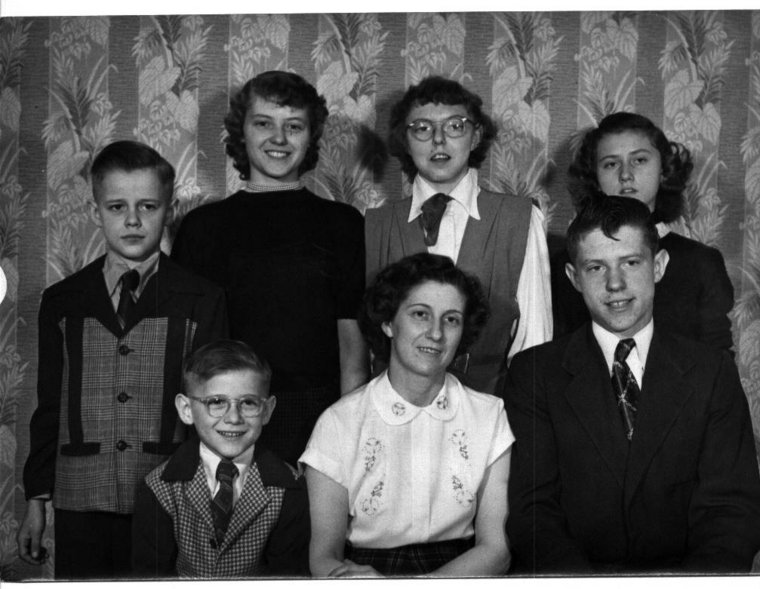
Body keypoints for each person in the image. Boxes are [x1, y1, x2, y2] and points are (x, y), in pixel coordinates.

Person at [504, 195, 760, 574]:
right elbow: (533, 514)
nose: (615, 283)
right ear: (573, 278)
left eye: (630, 262)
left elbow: (733, 512)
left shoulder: (711, 372)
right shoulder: (535, 374)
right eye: (596, 267)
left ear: (658, 266)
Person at [18, 140, 228, 579]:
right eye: (116, 207)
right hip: (80, 497)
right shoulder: (62, 300)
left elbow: (212, 408)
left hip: (170, 491)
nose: (132, 220)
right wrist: (36, 499)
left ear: (167, 210)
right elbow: (50, 404)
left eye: (148, 206)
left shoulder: (201, 298)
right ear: (97, 210)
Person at [171, 70, 368, 465]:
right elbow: (184, 347)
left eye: (293, 126)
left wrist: (350, 432)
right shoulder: (202, 227)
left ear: (310, 137)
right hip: (226, 416)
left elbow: (352, 348)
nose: (279, 139)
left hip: (318, 415)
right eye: (264, 123)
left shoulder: (342, 223)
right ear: (241, 131)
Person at [301, 253, 513, 577]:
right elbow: (323, 557)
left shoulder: (489, 416)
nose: (436, 334)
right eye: (420, 314)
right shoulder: (338, 423)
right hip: (367, 575)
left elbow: (496, 551)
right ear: (388, 322)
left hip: (463, 574)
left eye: (451, 319)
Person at [365, 76, 552, 395]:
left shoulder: (519, 219)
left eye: (455, 126)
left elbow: (534, 340)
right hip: (395, 406)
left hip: (489, 405)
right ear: (405, 140)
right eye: (422, 128)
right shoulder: (375, 224)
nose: (438, 140)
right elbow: (370, 340)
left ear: (476, 135)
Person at [551, 111, 734, 352]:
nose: (625, 175)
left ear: (664, 169)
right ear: (595, 178)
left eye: (639, 160)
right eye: (611, 164)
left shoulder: (701, 263)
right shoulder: (567, 265)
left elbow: (718, 363)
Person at [131, 340, 310, 578]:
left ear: (267, 410)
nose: (233, 417)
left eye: (248, 403)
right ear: (186, 409)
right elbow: (149, 577)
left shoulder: (289, 486)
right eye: (216, 402)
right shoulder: (159, 487)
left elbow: (288, 576)